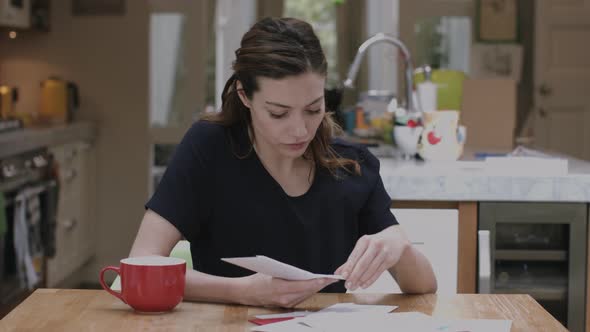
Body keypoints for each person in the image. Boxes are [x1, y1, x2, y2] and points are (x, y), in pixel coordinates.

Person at [130, 17, 436, 308]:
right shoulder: (209, 148)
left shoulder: (351, 164)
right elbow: (142, 262)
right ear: (244, 96)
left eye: (313, 109)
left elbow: (424, 286)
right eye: (278, 113)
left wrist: (398, 245)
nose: (300, 130)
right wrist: (243, 292)